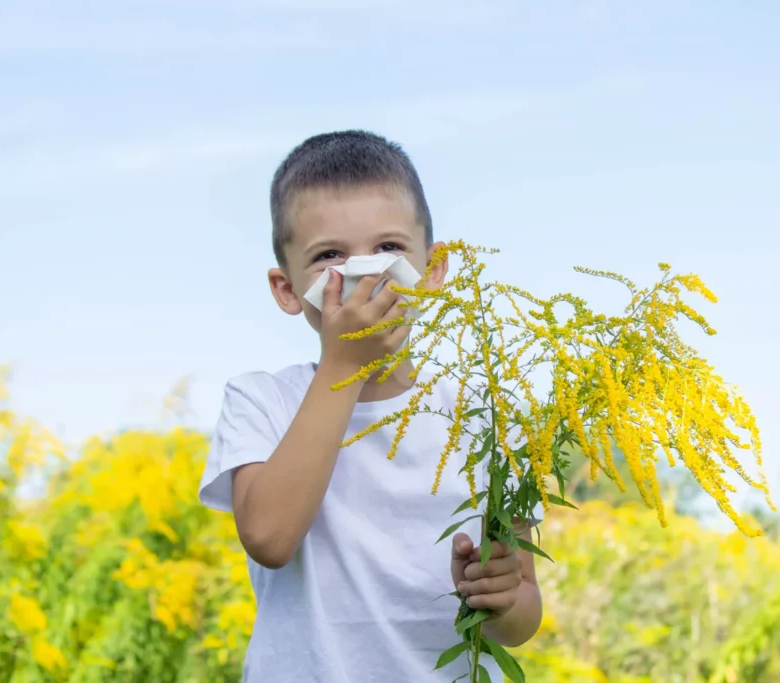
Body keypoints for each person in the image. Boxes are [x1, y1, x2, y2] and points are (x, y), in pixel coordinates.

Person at [198, 130, 542, 682]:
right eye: (329, 256)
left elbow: (522, 617)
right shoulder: (261, 400)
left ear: (433, 270)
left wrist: (500, 598)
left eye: (388, 249)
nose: (365, 274)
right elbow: (269, 539)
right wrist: (344, 365)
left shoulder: (487, 415)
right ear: (287, 290)